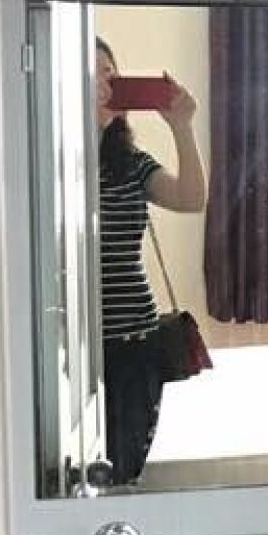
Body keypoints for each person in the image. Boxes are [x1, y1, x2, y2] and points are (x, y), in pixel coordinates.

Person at [95, 39, 206, 484]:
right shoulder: (51, 162)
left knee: (124, 467)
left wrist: (181, 126)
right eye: (92, 74)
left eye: (109, 72)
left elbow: (191, 198)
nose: (105, 83)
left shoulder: (130, 162)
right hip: (72, 345)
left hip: (135, 340)